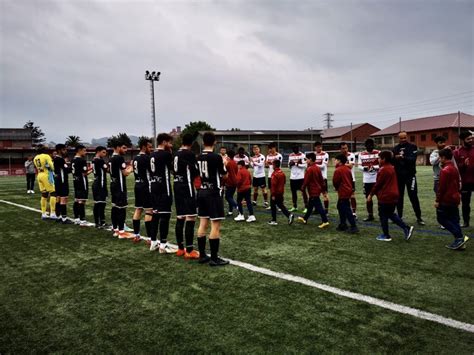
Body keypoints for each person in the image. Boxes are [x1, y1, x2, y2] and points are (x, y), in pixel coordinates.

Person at [196, 131, 229, 266]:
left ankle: (202, 255)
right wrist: (225, 163)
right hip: (213, 192)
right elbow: (225, 175)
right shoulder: (216, 157)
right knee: (215, 224)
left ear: (203, 142)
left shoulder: (198, 157)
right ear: (214, 142)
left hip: (202, 191)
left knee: (203, 223)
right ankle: (214, 258)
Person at [367, 151, 414, 242]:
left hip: (386, 195)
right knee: (390, 214)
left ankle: (386, 235)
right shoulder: (391, 167)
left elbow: (378, 184)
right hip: (393, 194)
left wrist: (371, 194)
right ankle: (405, 228)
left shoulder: (383, 169)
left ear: (384, 159)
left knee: (383, 215)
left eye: (379, 158)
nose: (378, 160)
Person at [436, 148, 469, 250]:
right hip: (455, 197)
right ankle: (460, 241)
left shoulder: (445, 170)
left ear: (444, 158)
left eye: (440, 157)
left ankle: (459, 238)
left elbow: (442, 188)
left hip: (447, 199)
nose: (439, 159)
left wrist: (437, 200)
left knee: (442, 219)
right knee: (454, 220)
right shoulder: (453, 168)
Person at [173, 133, 200, 259]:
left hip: (177, 186)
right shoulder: (189, 154)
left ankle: (180, 248)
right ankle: (189, 250)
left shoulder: (176, 154)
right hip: (186, 186)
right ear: (191, 143)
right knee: (191, 217)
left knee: (180, 217)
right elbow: (196, 171)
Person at [149, 133, 176, 253]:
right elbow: (173, 169)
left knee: (155, 215)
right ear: (164, 142)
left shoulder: (152, 154)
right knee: (165, 216)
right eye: (170, 142)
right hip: (163, 188)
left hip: (153, 186)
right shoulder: (166, 154)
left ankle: (153, 241)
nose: (171, 145)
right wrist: (170, 152)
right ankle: (163, 244)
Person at [392, 131, 425, 225]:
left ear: (407, 137)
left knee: (413, 197)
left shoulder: (412, 147)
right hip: (399, 177)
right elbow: (392, 161)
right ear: (398, 138)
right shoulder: (395, 148)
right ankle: (399, 217)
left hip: (410, 176)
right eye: (401, 138)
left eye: (404, 137)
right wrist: (395, 158)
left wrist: (402, 157)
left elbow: (412, 159)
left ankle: (419, 218)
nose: (403, 140)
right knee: (399, 197)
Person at [109, 138, 133, 238]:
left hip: (113, 185)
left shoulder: (111, 158)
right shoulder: (119, 158)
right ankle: (122, 232)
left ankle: (115, 229)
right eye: (124, 148)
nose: (125, 150)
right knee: (121, 208)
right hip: (120, 186)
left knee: (115, 207)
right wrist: (131, 166)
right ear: (118, 148)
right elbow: (125, 173)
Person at [298, 153, 329, 228]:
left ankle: (325, 221)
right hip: (317, 189)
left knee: (319, 207)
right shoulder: (317, 168)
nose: (306, 161)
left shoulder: (309, 169)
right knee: (310, 206)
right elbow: (321, 180)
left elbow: (306, 181)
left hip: (313, 190)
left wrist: (302, 189)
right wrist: (323, 189)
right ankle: (305, 218)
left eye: (307, 159)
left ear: (310, 159)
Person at [131, 137, 153, 242]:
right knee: (149, 210)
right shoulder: (147, 158)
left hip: (137, 185)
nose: (151, 149)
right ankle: (149, 238)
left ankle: (136, 235)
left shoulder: (135, 158)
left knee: (138, 209)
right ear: (144, 147)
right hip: (145, 186)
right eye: (149, 147)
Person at [333, 154, 358, 233]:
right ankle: (343, 224)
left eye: (336, 160)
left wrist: (337, 188)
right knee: (340, 206)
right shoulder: (347, 169)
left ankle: (353, 226)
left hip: (343, 191)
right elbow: (351, 179)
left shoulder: (338, 170)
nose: (334, 161)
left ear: (339, 161)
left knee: (346, 209)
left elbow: (335, 181)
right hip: (348, 190)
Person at [454, 131, 474, 228]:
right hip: (465, 182)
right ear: (462, 140)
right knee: (466, 204)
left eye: (471, 138)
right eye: (468, 139)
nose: (471, 140)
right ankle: (466, 222)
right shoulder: (457, 152)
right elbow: (456, 167)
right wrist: (463, 165)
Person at [358, 139, 380, 221]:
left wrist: (375, 167)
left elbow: (381, 164)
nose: (370, 146)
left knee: (380, 198)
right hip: (367, 181)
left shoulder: (378, 153)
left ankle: (381, 214)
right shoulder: (361, 154)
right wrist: (365, 168)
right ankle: (370, 215)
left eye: (372, 144)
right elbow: (359, 167)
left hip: (377, 180)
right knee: (368, 198)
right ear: (365, 145)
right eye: (368, 144)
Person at [33, 145, 57, 220]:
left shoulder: (35, 157)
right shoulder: (46, 156)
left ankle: (43, 213)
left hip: (39, 174)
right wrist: (53, 170)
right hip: (46, 175)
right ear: (44, 150)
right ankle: (52, 213)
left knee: (44, 194)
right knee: (53, 193)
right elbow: (51, 166)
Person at [268, 159, 294, 226]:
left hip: (276, 193)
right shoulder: (282, 172)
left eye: (273, 164)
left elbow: (273, 185)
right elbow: (284, 182)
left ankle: (274, 220)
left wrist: (273, 194)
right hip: (281, 192)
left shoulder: (274, 174)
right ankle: (288, 215)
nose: (272, 165)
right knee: (280, 205)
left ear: (275, 165)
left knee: (273, 206)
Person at [72, 145, 92, 226]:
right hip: (81, 181)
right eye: (84, 150)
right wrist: (91, 169)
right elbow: (85, 173)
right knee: (82, 200)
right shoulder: (81, 160)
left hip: (75, 181)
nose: (85, 152)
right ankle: (82, 220)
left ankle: (76, 218)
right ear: (79, 150)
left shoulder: (73, 159)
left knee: (76, 199)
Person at [53, 144, 73, 224]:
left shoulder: (56, 159)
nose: (66, 151)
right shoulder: (60, 159)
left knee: (58, 199)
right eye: (64, 150)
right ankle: (64, 218)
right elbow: (66, 170)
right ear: (59, 150)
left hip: (58, 181)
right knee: (63, 199)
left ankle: (59, 217)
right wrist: (73, 167)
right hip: (62, 181)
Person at [92, 146, 109, 229]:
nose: (105, 154)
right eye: (103, 152)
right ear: (98, 152)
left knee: (100, 203)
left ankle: (100, 222)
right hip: (100, 184)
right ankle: (99, 223)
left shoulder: (94, 160)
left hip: (97, 183)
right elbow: (107, 169)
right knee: (100, 204)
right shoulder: (100, 160)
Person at [339, 142, 357, 218]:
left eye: (346, 148)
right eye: (343, 148)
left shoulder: (351, 155)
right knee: (342, 196)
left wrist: (342, 164)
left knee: (352, 196)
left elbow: (351, 166)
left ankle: (354, 213)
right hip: (341, 180)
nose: (345, 150)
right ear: (340, 149)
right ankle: (345, 212)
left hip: (351, 179)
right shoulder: (339, 157)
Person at [288, 144, 308, 212]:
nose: (295, 150)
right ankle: (294, 206)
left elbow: (305, 166)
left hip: (301, 177)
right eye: (293, 149)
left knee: (303, 192)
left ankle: (306, 207)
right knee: (293, 192)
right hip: (292, 177)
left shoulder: (302, 155)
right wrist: (290, 165)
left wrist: (296, 164)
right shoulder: (290, 155)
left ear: (298, 149)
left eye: (296, 149)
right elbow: (289, 166)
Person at [265, 142, 283, 210]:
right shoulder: (268, 156)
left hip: (277, 175)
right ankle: (272, 205)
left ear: (274, 148)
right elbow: (266, 166)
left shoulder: (279, 155)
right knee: (271, 190)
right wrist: (266, 164)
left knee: (277, 191)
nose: (270, 150)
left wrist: (270, 163)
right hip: (270, 176)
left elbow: (278, 164)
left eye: (271, 148)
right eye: (269, 149)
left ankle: (279, 205)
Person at [314, 142, 329, 214]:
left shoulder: (325, 154)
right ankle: (317, 209)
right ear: (315, 147)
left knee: (324, 194)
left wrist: (313, 164)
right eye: (317, 147)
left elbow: (323, 166)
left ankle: (326, 210)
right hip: (315, 178)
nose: (319, 148)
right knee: (315, 195)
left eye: (320, 147)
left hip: (323, 177)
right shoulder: (313, 155)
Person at [224, 149, 239, 216]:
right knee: (230, 197)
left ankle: (237, 206)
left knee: (227, 197)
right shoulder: (234, 163)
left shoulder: (229, 163)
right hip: (234, 182)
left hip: (230, 182)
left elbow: (228, 173)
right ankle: (230, 211)